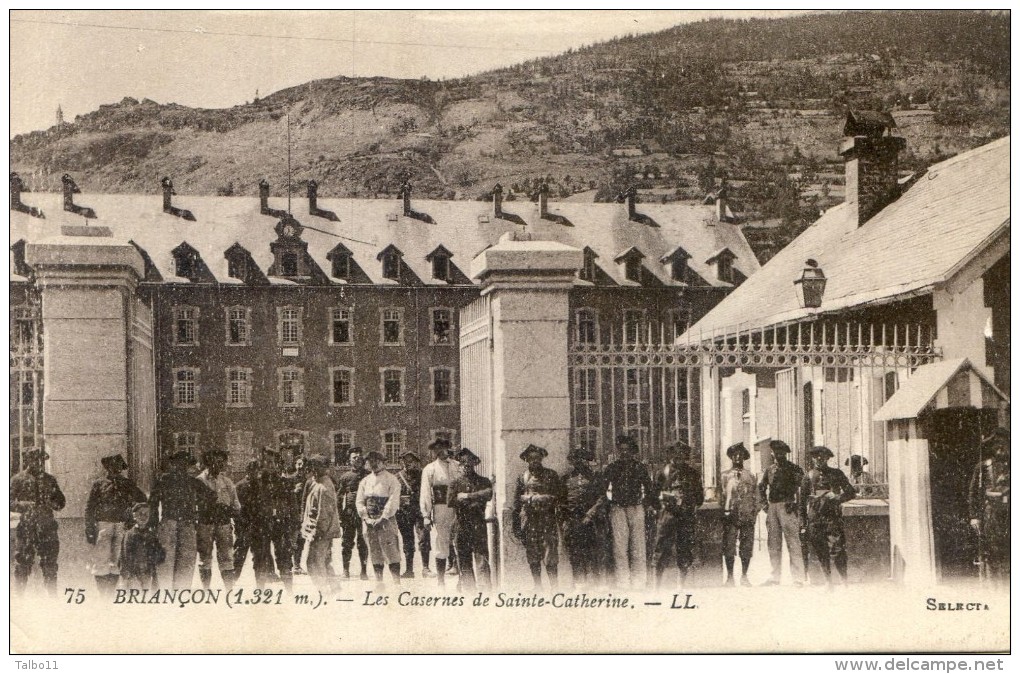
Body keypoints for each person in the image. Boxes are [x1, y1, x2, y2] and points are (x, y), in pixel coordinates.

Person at [84, 453, 147, 596]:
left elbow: (142, 500)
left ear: (121, 469)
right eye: (111, 467)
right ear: (107, 468)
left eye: (118, 467)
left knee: (117, 560)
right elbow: (90, 508)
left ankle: (111, 593)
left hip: (121, 526)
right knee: (101, 560)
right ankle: (103, 595)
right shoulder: (99, 484)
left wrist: (132, 518)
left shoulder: (127, 484)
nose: (115, 470)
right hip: (103, 525)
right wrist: (89, 528)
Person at [602, 435, 656, 589]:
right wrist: (610, 504)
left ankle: (639, 581)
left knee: (638, 545)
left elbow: (649, 489)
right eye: (621, 450)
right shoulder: (612, 468)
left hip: (636, 508)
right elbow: (603, 488)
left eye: (628, 450)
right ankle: (623, 582)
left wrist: (645, 504)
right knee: (619, 547)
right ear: (618, 451)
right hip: (618, 508)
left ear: (633, 451)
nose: (624, 453)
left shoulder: (640, 467)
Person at [10, 447, 66, 596]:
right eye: (33, 459)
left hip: (47, 526)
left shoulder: (49, 479)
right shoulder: (17, 480)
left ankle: (52, 597)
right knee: (22, 563)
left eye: (40, 460)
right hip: (26, 527)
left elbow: (61, 502)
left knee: (50, 564)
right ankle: (19, 598)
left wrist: (54, 503)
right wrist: (23, 505)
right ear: (27, 461)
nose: (37, 463)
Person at [801, 446, 857, 586]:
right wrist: (803, 523)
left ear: (827, 458)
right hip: (815, 517)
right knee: (821, 551)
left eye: (823, 457)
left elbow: (851, 492)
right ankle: (828, 582)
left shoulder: (836, 473)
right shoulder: (808, 476)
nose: (819, 459)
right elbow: (801, 502)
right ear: (813, 459)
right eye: (816, 457)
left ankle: (844, 582)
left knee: (837, 549)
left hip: (832, 517)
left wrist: (837, 497)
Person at [150, 449, 205, 589]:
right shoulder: (164, 480)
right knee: (166, 560)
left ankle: (180, 592)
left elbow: (209, 498)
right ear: (174, 464)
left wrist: (198, 516)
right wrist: (154, 524)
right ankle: (166, 593)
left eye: (185, 464)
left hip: (187, 524)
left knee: (186, 560)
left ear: (188, 465)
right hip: (169, 522)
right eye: (179, 463)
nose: (182, 466)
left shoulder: (194, 482)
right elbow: (153, 503)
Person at [652, 442, 704, 588]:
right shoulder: (662, 472)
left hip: (685, 516)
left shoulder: (693, 474)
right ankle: (657, 588)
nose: (678, 457)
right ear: (669, 455)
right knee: (661, 550)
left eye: (682, 454)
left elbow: (699, 498)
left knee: (685, 550)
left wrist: (686, 501)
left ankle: (681, 586)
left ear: (685, 456)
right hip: (667, 516)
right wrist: (664, 501)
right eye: (675, 453)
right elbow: (653, 496)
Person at [511, 444, 563, 589]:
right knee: (533, 554)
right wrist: (516, 525)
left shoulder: (551, 475)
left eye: (537, 458)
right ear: (526, 460)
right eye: (531, 458)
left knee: (550, 555)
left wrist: (545, 498)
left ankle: (554, 587)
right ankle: (537, 587)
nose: (534, 461)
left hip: (547, 520)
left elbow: (559, 496)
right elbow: (516, 501)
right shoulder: (522, 477)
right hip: (530, 520)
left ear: (541, 458)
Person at [758, 439, 805, 586]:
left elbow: (802, 489)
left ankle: (798, 578)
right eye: (775, 451)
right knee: (773, 543)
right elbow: (761, 487)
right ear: (772, 453)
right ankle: (775, 577)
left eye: (781, 451)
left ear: (786, 453)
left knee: (793, 542)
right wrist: (764, 504)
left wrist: (796, 504)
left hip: (788, 506)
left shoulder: (794, 469)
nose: (778, 454)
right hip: (773, 507)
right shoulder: (769, 470)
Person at [562, 446, 608, 588]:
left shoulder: (596, 477)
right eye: (576, 459)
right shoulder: (565, 478)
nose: (580, 462)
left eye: (583, 459)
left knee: (594, 551)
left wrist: (590, 514)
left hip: (592, 520)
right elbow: (561, 500)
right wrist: (565, 519)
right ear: (572, 461)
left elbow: (602, 498)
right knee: (575, 552)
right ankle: (579, 583)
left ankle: (597, 582)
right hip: (573, 519)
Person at [969, 427, 1010, 585]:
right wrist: (974, 516)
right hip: (991, 514)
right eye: (997, 444)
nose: (1001, 448)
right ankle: (993, 586)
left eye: (1004, 444)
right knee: (992, 550)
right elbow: (974, 493)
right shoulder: (983, 467)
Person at [448, 448, 493, 590]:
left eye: (468, 464)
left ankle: (485, 591)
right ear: (459, 466)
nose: (465, 467)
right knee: (464, 560)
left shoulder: (483, 481)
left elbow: (488, 493)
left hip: (478, 525)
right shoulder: (455, 483)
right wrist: (474, 500)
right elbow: (450, 501)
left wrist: (467, 497)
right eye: (462, 464)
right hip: (461, 525)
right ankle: (469, 591)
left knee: (482, 560)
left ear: (474, 464)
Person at [356, 450, 403, 585]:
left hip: (386, 521)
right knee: (374, 550)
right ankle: (379, 583)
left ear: (384, 463)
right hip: (370, 522)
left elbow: (393, 500)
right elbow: (359, 501)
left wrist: (383, 517)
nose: (374, 464)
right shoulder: (365, 481)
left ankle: (396, 583)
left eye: (377, 461)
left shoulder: (392, 479)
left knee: (391, 550)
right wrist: (366, 518)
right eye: (371, 461)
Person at [196, 449, 240, 590]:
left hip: (223, 525)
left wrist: (227, 510)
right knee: (205, 559)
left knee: (227, 558)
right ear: (208, 462)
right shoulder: (199, 481)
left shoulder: (227, 483)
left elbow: (236, 506)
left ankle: (229, 591)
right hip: (205, 524)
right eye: (216, 461)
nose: (219, 465)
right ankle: (206, 592)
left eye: (222, 462)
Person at [255, 448, 295, 591]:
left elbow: (292, 505)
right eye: (266, 462)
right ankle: (260, 592)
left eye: (272, 462)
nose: (270, 466)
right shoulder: (257, 484)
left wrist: (293, 525)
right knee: (261, 557)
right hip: (262, 524)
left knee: (284, 556)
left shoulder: (284, 483)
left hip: (281, 523)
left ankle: (290, 591)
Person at [720, 442, 758, 587]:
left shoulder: (750, 476)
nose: (737, 458)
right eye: (735, 455)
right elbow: (720, 496)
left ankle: (744, 576)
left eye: (740, 455)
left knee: (746, 546)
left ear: (744, 457)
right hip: (730, 515)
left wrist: (754, 512)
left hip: (747, 514)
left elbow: (757, 496)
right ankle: (730, 577)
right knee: (729, 545)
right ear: (731, 457)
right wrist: (724, 511)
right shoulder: (725, 476)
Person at [420, 438, 457, 586]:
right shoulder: (430, 469)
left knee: (459, 539)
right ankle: (441, 580)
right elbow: (426, 493)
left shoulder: (457, 466)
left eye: (443, 448)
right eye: (437, 449)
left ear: (448, 449)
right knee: (441, 540)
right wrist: (426, 515)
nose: (440, 452)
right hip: (441, 508)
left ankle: (460, 575)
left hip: (458, 507)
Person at [302, 455, 340, 594]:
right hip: (320, 531)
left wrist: (318, 532)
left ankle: (323, 591)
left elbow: (324, 514)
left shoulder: (324, 487)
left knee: (313, 563)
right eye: (312, 466)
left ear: (325, 468)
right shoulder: (318, 483)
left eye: (317, 466)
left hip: (321, 532)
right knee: (324, 561)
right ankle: (335, 588)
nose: (313, 470)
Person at [395, 451, 431, 578]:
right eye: (405, 460)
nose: (407, 463)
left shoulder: (422, 476)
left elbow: (427, 493)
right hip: (404, 513)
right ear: (401, 462)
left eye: (410, 461)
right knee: (407, 540)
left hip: (419, 511)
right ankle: (409, 570)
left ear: (415, 462)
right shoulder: (397, 477)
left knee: (424, 538)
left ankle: (426, 568)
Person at [336, 447, 369, 580]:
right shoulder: (345, 477)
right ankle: (345, 570)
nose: (357, 460)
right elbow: (339, 497)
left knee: (363, 542)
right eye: (354, 458)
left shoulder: (368, 475)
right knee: (347, 542)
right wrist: (339, 515)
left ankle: (364, 571)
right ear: (350, 461)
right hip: (349, 514)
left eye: (359, 457)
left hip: (364, 514)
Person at [120, 502, 165, 590]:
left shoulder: (151, 535)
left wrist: (156, 557)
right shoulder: (130, 534)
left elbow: (160, 554)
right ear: (134, 516)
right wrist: (129, 574)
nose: (143, 517)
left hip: (148, 572)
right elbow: (125, 556)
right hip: (134, 573)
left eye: (146, 514)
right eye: (140, 514)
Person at [232, 459, 263, 585]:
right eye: (253, 470)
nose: (255, 473)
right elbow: (236, 509)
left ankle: (260, 589)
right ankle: (231, 587)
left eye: (257, 470)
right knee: (238, 559)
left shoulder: (262, 486)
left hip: (258, 528)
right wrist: (240, 526)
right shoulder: (239, 486)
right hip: (244, 528)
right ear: (248, 471)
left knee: (259, 560)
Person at [288, 456, 310, 574]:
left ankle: (297, 565)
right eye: (298, 464)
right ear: (295, 465)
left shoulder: (309, 481)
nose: (300, 467)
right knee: (292, 540)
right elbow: (284, 495)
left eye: (302, 464)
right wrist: (293, 491)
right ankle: (289, 565)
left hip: (304, 514)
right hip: (292, 514)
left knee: (301, 540)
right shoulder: (290, 479)